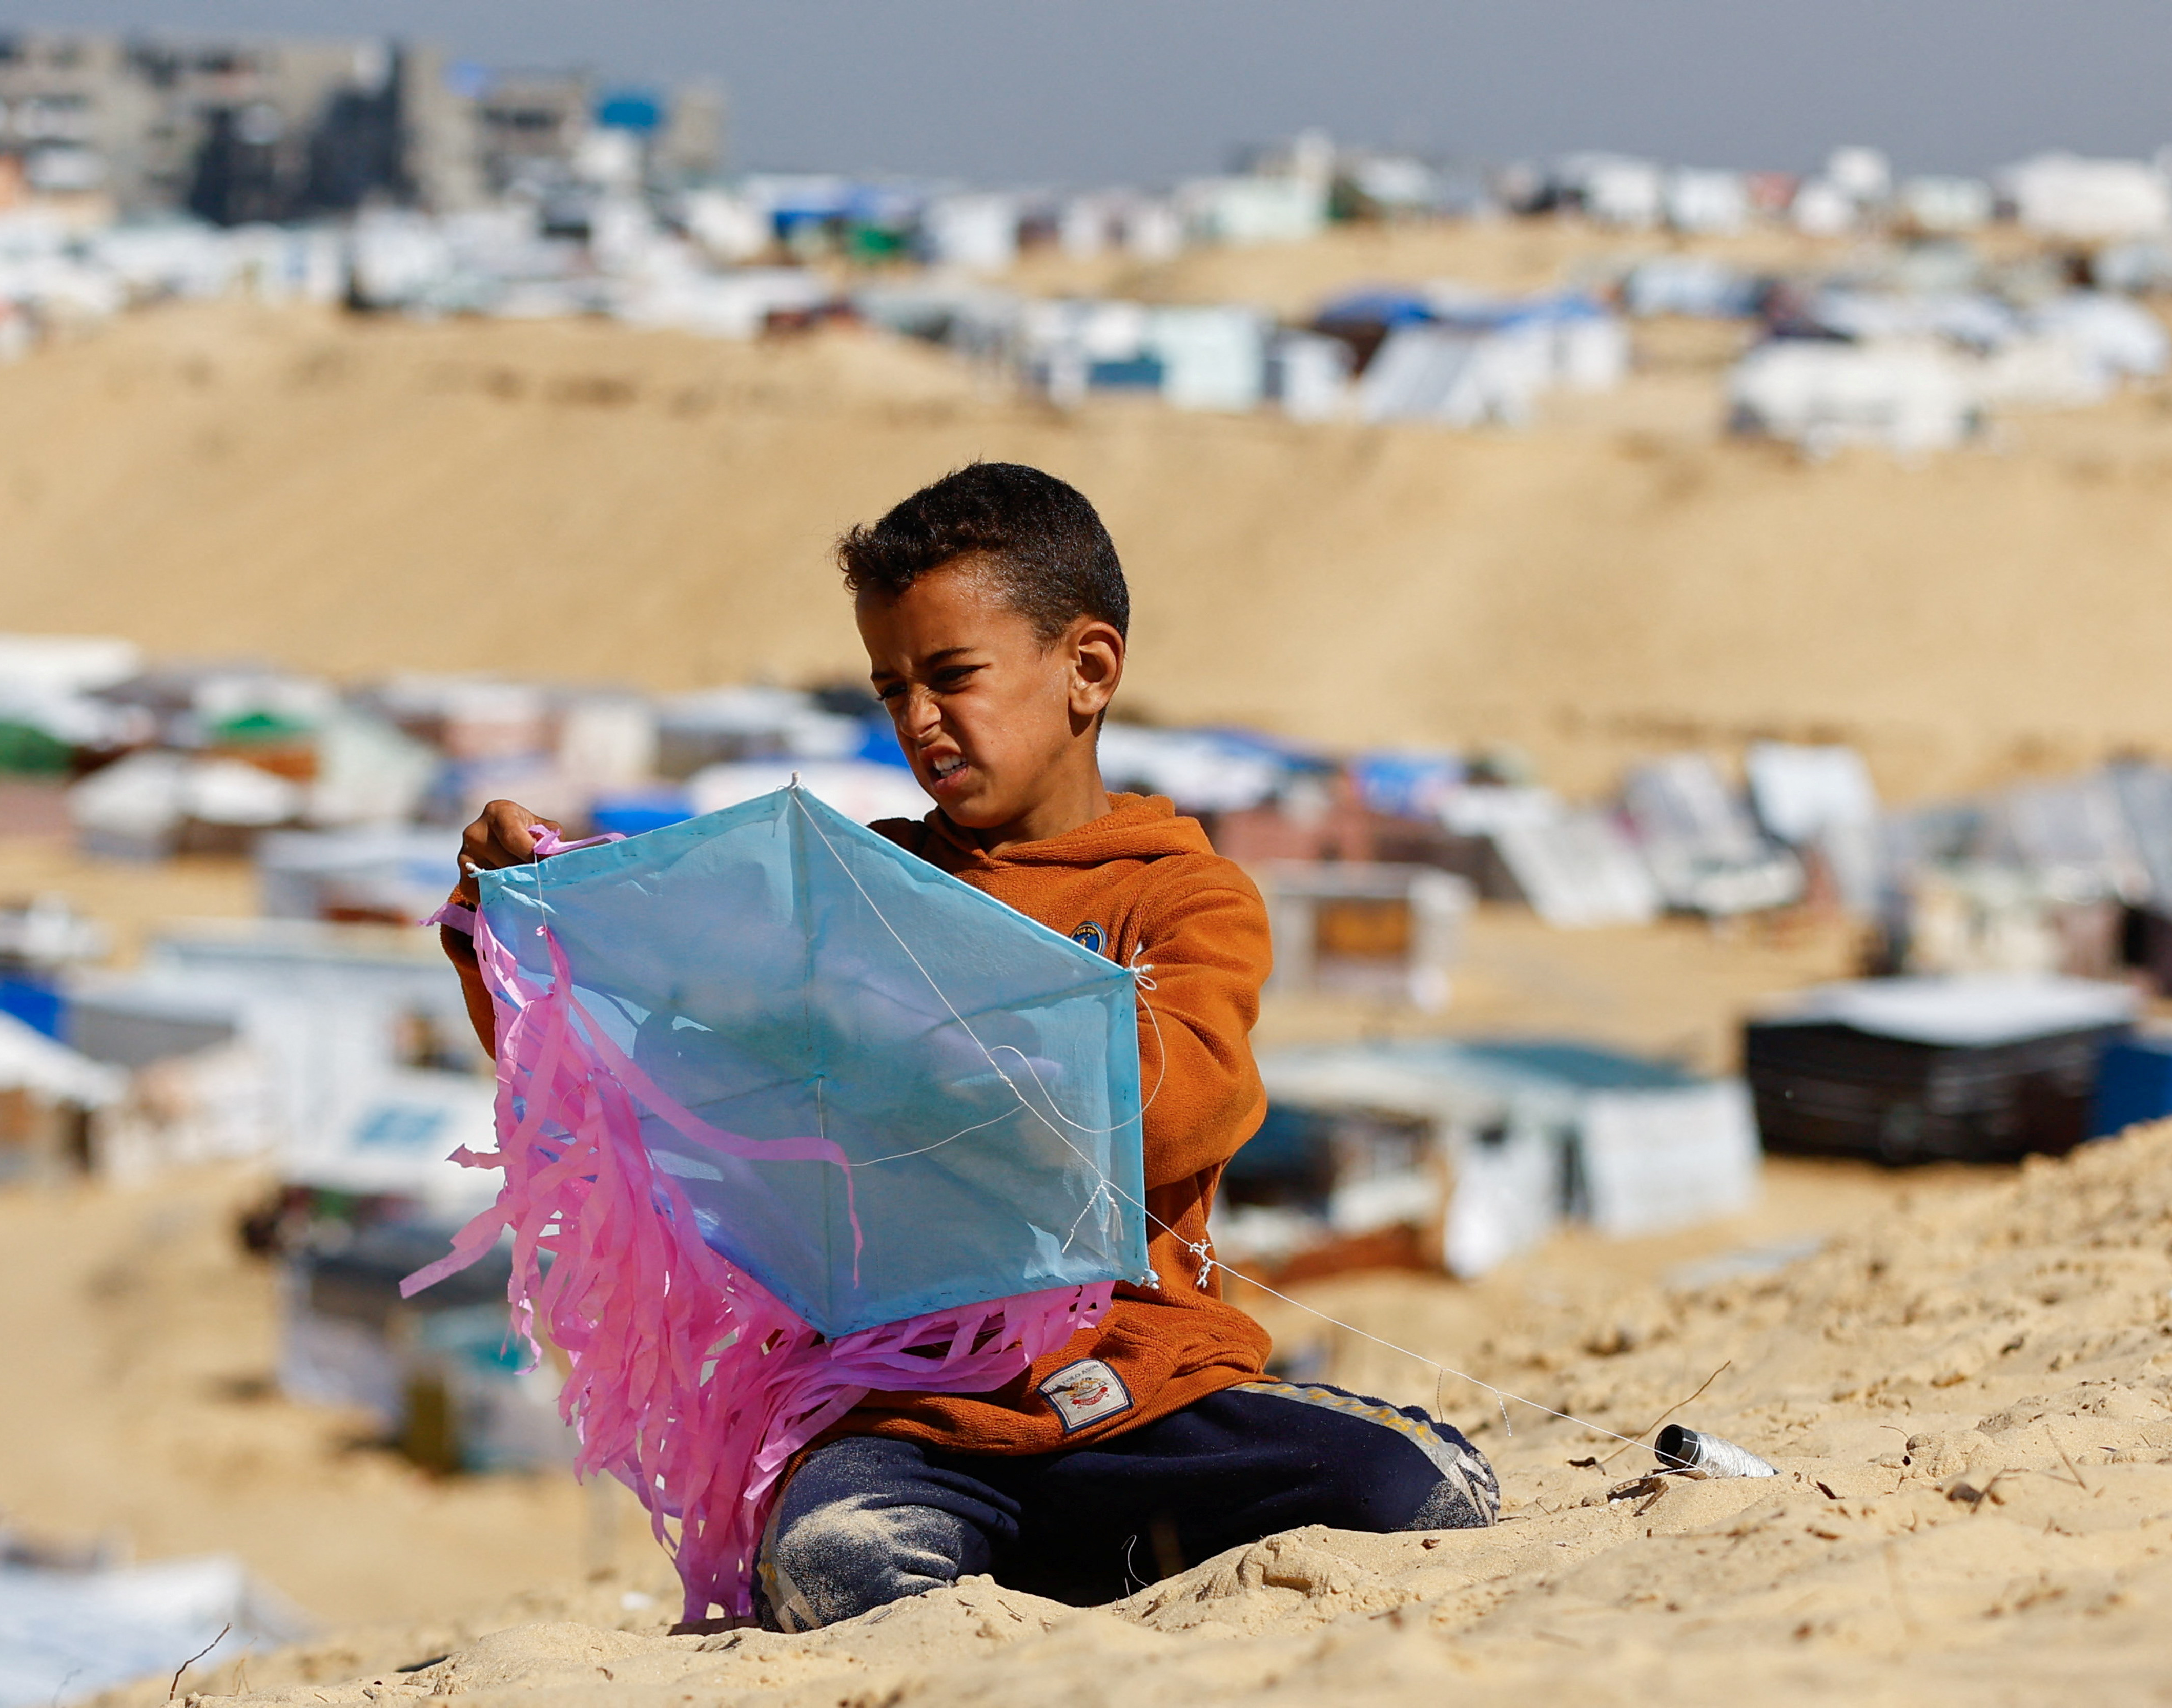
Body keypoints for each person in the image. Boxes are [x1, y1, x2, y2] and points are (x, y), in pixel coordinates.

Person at [449, 462, 1498, 1629]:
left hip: (1147, 1386)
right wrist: (538, 908)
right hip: (911, 1416)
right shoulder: (855, 888)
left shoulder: (1183, 897)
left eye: (952, 676)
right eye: (890, 687)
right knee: (839, 1560)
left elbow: (1167, 1108)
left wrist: (894, 1027)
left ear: (1087, 671)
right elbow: (623, 1061)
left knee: (1415, 1494)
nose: (917, 720)